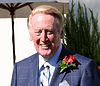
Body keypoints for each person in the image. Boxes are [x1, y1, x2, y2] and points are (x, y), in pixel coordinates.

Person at [11, 5, 100, 86]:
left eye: (49, 32)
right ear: (30, 35)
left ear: (61, 33)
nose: (43, 38)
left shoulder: (84, 68)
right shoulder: (20, 69)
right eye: (38, 32)